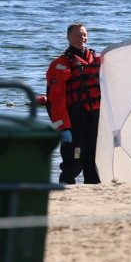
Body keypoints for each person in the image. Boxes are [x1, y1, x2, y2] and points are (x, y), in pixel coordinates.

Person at [46, 23, 102, 184]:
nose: (81, 38)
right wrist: (62, 127)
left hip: (95, 118)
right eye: (77, 35)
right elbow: (54, 100)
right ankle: (64, 193)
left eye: (84, 35)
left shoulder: (98, 60)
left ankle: (94, 200)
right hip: (73, 120)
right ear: (68, 37)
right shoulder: (60, 65)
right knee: (73, 163)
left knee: (93, 163)